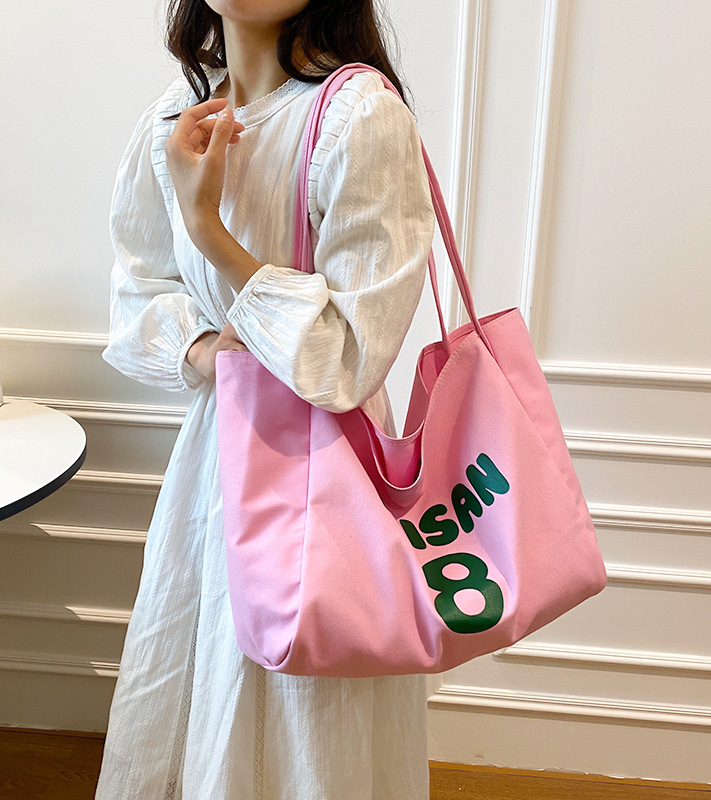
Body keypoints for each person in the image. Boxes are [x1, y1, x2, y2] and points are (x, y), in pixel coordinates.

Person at [96, 0, 435, 797]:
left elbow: (348, 358)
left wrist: (210, 229)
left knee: (306, 706)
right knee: (200, 673)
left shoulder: (359, 118)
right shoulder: (175, 118)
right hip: (216, 455)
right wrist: (205, 353)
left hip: (328, 461)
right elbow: (136, 288)